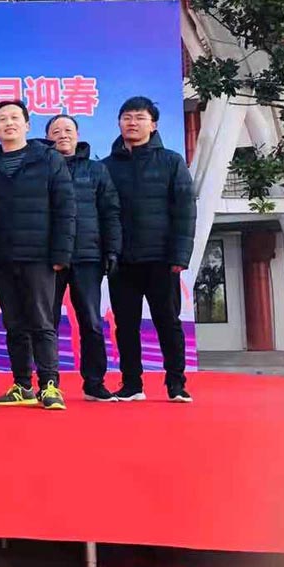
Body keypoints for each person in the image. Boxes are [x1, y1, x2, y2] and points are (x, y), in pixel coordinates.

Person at [0, 100, 75, 410]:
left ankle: (50, 385)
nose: (9, 123)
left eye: (15, 117)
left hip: (39, 256)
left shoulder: (48, 159)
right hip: (1, 258)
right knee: (13, 323)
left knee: (42, 321)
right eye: (2, 119)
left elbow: (65, 208)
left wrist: (61, 253)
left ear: (27, 125)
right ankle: (22, 385)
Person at [103, 96, 195, 402]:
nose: (132, 123)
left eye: (140, 118)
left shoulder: (171, 161)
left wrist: (180, 255)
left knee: (167, 322)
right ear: (119, 123)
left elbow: (185, 211)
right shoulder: (106, 167)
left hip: (161, 259)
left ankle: (176, 383)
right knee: (125, 325)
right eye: (127, 117)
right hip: (122, 260)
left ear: (153, 125)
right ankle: (132, 384)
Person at [45, 115, 122, 402]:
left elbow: (110, 212)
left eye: (68, 130)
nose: (62, 135)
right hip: (50, 258)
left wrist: (112, 250)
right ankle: (48, 383)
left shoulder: (96, 170)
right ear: (48, 137)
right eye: (56, 131)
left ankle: (94, 383)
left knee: (91, 321)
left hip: (88, 256)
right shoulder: (42, 169)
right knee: (47, 323)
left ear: (77, 135)